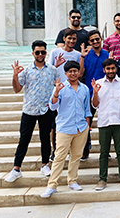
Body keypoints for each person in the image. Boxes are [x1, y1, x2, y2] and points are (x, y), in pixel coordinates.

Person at [4, 41, 59, 183]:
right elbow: (17, 89)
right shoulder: (27, 70)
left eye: (43, 52)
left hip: (45, 109)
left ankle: (45, 164)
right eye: (37, 52)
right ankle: (16, 168)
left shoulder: (53, 70)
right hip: (29, 110)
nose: (40, 55)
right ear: (33, 53)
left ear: (46, 53)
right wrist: (15, 75)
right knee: (24, 139)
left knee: (45, 138)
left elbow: (56, 87)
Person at [40, 61, 92, 198]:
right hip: (64, 127)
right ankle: (52, 185)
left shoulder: (85, 89)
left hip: (81, 127)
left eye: (75, 71)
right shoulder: (61, 87)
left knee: (76, 156)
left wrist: (87, 124)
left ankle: (72, 180)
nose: (73, 73)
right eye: (70, 71)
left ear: (79, 72)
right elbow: (52, 107)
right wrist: (56, 92)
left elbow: (87, 109)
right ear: (66, 73)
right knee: (59, 157)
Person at [92, 59, 120, 191]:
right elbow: (95, 105)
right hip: (104, 122)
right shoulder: (98, 84)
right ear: (104, 70)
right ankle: (102, 179)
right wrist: (95, 92)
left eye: (113, 68)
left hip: (119, 122)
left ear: (116, 69)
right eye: (108, 69)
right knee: (104, 152)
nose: (110, 71)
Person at [48, 29, 81, 161]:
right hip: (58, 91)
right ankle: (55, 150)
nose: (72, 41)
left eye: (74, 39)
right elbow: (48, 71)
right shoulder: (55, 52)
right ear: (64, 38)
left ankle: (73, 150)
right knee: (54, 124)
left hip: (73, 92)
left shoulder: (78, 54)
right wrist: (56, 65)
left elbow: (80, 72)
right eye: (69, 38)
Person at [79, 30, 110, 160]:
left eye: (97, 39)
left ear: (101, 39)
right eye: (92, 40)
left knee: (105, 124)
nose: (95, 41)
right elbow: (80, 74)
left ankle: (105, 149)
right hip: (89, 93)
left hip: (105, 93)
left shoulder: (107, 54)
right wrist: (82, 57)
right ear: (89, 42)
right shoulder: (86, 55)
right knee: (86, 123)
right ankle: (85, 149)